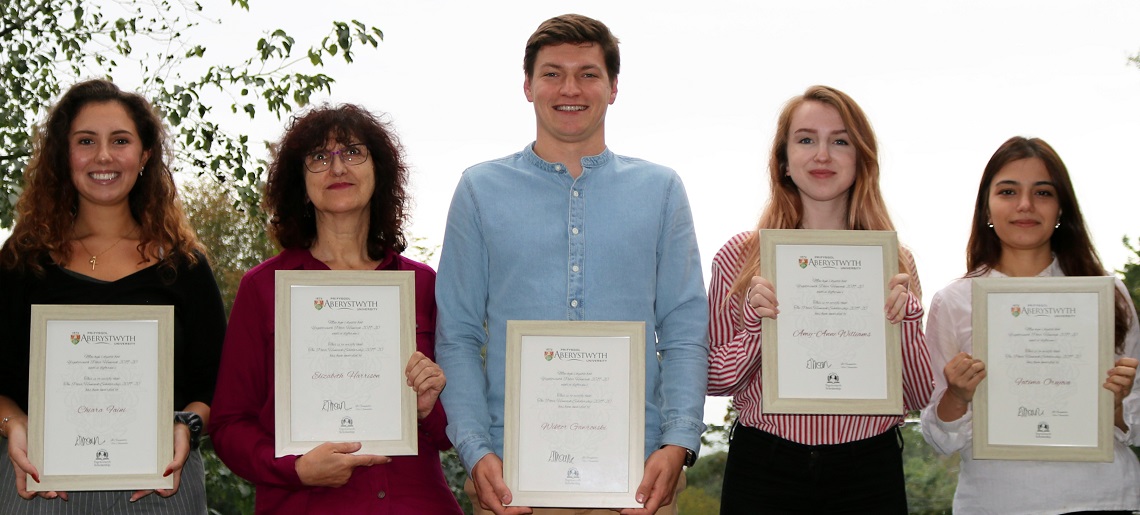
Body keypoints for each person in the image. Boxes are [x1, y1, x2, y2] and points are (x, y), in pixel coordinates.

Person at [435, 13, 708, 515]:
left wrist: (679, 444)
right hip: (512, 482)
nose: (570, 88)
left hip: (640, 479)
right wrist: (476, 451)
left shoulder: (662, 191)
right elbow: (458, 334)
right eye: (552, 72)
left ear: (614, 87)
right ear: (527, 85)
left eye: (588, 73)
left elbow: (685, 330)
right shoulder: (479, 191)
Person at [207, 104, 462, 514]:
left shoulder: (422, 284)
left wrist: (431, 407)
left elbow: (451, 431)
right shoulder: (262, 288)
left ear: (379, 171)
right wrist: (294, 468)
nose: (337, 167)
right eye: (319, 158)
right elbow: (228, 425)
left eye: (353, 153)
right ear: (299, 181)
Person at [0, 79, 225, 514]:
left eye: (119, 141)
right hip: (41, 486)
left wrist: (187, 424)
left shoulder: (185, 266)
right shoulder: (19, 261)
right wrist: (16, 426)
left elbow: (217, 384)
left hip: (161, 488)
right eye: (86, 141)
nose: (103, 156)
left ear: (143, 156)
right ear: (64, 155)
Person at [706, 85, 933, 513]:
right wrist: (757, 328)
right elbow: (716, 379)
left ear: (861, 159)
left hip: (869, 468)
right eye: (806, 139)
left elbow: (920, 395)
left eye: (840, 141)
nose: (822, 155)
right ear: (784, 160)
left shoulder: (895, 262)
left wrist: (904, 320)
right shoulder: (739, 257)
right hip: (764, 466)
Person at [920, 136, 1140, 514]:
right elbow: (939, 440)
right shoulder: (954, 302)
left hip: (1101, 500)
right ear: (986, 207)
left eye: (1042, 192)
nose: (1025, 205)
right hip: (995, 502)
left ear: (1061, 209)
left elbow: (1136, 419)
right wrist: (957, 395)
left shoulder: (1107, 294)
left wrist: (1116, 407)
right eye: (1008, 191)